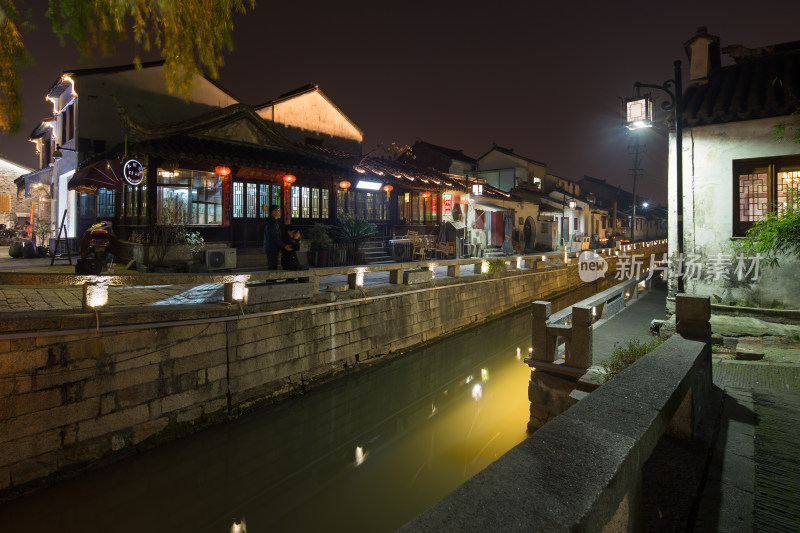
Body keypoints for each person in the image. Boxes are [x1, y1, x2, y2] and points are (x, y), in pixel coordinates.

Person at [263, 204, 292, 270]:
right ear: (273, 211)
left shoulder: (271, 221)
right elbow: (275, 236)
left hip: (271, 247)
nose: (280, 212)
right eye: (278, 210)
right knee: (272, 267)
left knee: (272, 266)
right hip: (272, 247)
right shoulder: (272, 222)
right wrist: (283, 246)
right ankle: (271, 280)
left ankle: (271, 280)